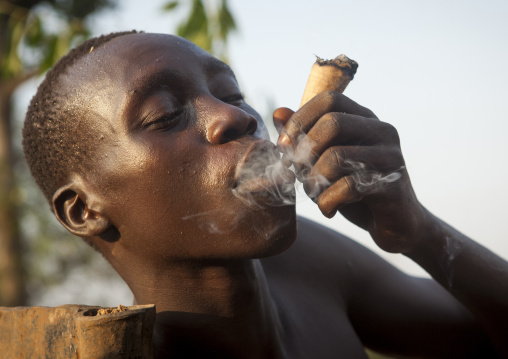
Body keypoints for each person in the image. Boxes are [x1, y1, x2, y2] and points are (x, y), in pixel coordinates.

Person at [22, 31, 508, 358]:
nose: (237, 117)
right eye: (165, 115)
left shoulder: (308, 264)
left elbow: (483, 332)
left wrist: (418, 232)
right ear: (84, 209)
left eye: (231, 95)